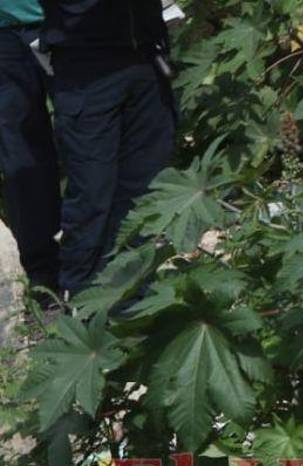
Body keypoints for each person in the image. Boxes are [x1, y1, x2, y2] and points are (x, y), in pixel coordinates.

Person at [40, 0, 175, 298]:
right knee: (92, 193)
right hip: (86, 65)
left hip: (146, 55)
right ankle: (82, 300)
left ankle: (135, 298)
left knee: (144, 189)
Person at [0, 0, 61, 295]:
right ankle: (43, 273)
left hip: (66, 22)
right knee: (20, 156)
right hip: (4, 37)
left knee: (90, 138)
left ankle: (100, 255)